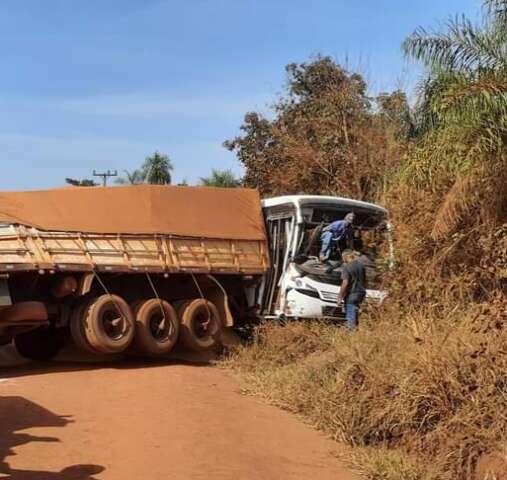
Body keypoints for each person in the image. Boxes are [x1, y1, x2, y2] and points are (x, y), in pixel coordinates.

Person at [336, 249, 366, 332]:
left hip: (352, 294)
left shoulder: (347, 267)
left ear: (346, 256)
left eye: (343, 258)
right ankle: (355, 332)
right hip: (361, 293)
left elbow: (345, 283)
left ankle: (351, 334)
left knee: (350, 314)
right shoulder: (361, 266)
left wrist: (340, 297)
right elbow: (364, 280)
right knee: (355, 314)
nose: (343, 260)